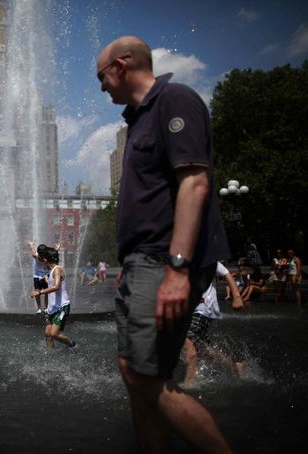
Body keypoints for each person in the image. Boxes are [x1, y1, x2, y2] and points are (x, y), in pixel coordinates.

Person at [98, 36, 232, 452]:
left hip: (164, 261)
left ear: (121, 65)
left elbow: (194, 181)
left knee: (142, 376)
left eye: (101, 76)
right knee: (139, 372)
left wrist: (176, 267)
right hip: (146, 262)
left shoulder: (175, 100)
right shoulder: (139, 118)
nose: (101, 86)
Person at [182, 262, 245, 388]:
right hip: (193, 310)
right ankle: (235, 365)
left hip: (203, 308)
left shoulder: (207, 256)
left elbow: (226, 273)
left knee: (184, 339)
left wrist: (237, 297)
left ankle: (189, 382)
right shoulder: (183, 258)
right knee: (204, 350)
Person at [30, 246, 76, 348]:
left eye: (43, 261)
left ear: (45, 260)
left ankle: (71, 344)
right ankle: (51, 354)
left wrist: (39, 292)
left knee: (54, 334)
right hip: (52, 308)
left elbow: (56, 286)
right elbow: (53, 284)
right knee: (48, 334)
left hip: (61, 307)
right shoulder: (52, 272)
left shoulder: (57, 270)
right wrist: (47, 280)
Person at [27, 241, 49, 314]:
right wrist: (31, 245)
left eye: (42, 255)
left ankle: (46, 307)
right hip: (36, 275)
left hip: (46, 275)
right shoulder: (35, 255)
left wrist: (57, 249)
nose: (41, 257)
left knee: (46, 292)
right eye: (40, 254)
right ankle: (39, 308)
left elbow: (54, 253)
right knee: (37, 291)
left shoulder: (47, 257)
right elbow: (33, 252)